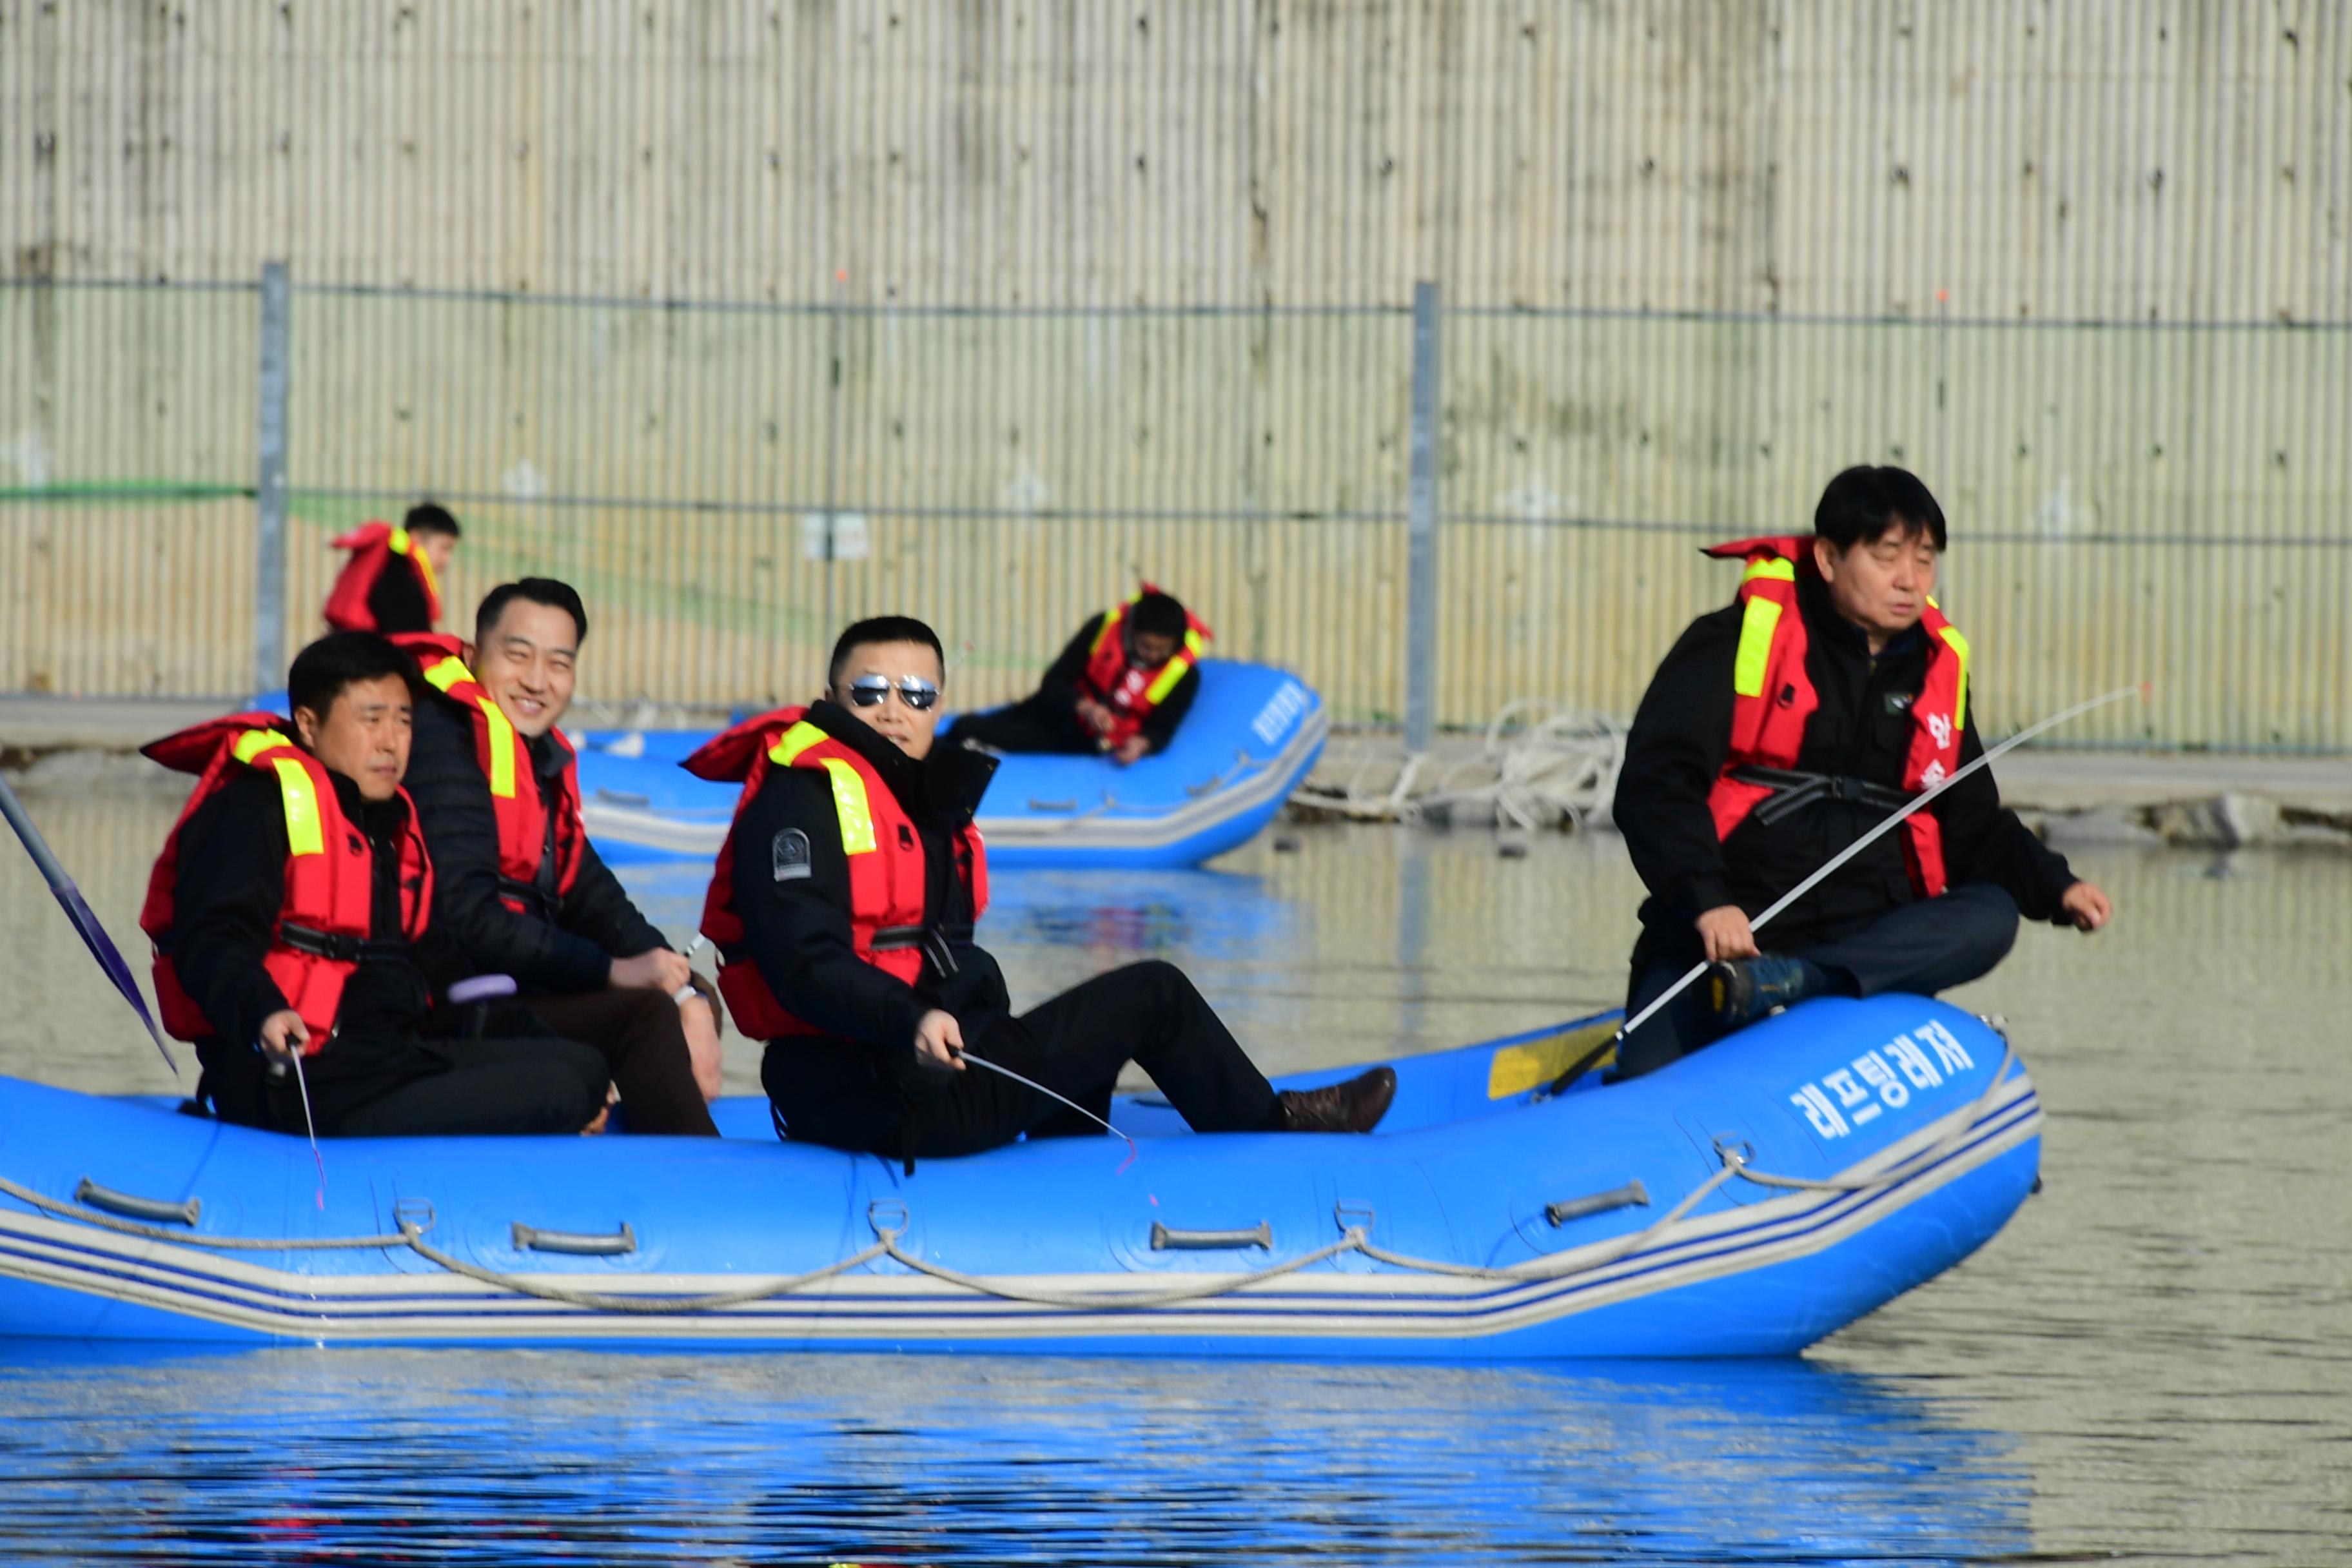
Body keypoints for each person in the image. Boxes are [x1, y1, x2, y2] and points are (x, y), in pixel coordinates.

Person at [689, 615, 1393, 1164]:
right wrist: (907, 1017)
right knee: (1154, 993)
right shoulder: (801, 798)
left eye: (917, 694)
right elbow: (804, 964)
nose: (893, 710)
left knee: (1074, 1029)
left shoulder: (911, 799)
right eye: (870, 692)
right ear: (833, 696)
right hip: (884, 1091)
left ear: (940, 706)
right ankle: (1276, 1129)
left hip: (916, 1069)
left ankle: (1071, 1176)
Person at [1610, 466, 2113, 1079]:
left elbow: (1973, 826)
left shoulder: (1937, 675)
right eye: (1887, 557)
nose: (1910, 580)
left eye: (1926, 560)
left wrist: (2057, 887)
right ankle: (1754, 990)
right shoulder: (1736, 640)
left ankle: (1805, 984)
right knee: (1645, 1080)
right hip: (1732, 936)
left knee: (1990, 916)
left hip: (1866, 941)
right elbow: (1656, 786)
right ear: (1827, 558)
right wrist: (1708, 902)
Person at [139, 632, 612, 1136]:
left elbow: (437, 965)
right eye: (371, 720)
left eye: (404, 720)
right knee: (560, 1089)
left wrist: (537, 1038)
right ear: (308, 725)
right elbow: (212, 941)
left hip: (384, 1060)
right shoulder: (252, 808)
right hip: (300, 1082)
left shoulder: (381, 827)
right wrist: (264, 1011)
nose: (391, 741)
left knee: (582, 1067)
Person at [393, 579, 721, 1136]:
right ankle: (695, 1191)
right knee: (643, 1014)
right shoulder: (441, 741)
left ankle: (628, 1127)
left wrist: (681, 985)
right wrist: (613, 972)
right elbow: (465, 916)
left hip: (513, 986)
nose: (537, 681)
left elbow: (594, 895)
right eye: (517, 656)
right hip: (445, 998)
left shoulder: (533, 760)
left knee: (685, 991)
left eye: (559, 663)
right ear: (473, 658)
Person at [952, 585, 1208, 764]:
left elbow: (1162, 728)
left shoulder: (1185, 676)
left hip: (1079, 743)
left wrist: (1140, 744)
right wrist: (1086, 708)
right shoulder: (1102, 630)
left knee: (971, 730)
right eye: (1146, 647)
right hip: (1052, 713)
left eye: (1163, 650)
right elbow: (1054, 683)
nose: (1153, 656)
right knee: (962, 729)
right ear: (1131, 632)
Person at [324, 502, 461, 635]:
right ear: (416, 537)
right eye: (444, 548)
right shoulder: (400, 577)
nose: (447, 559)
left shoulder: (389, 566)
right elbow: (408, 640)